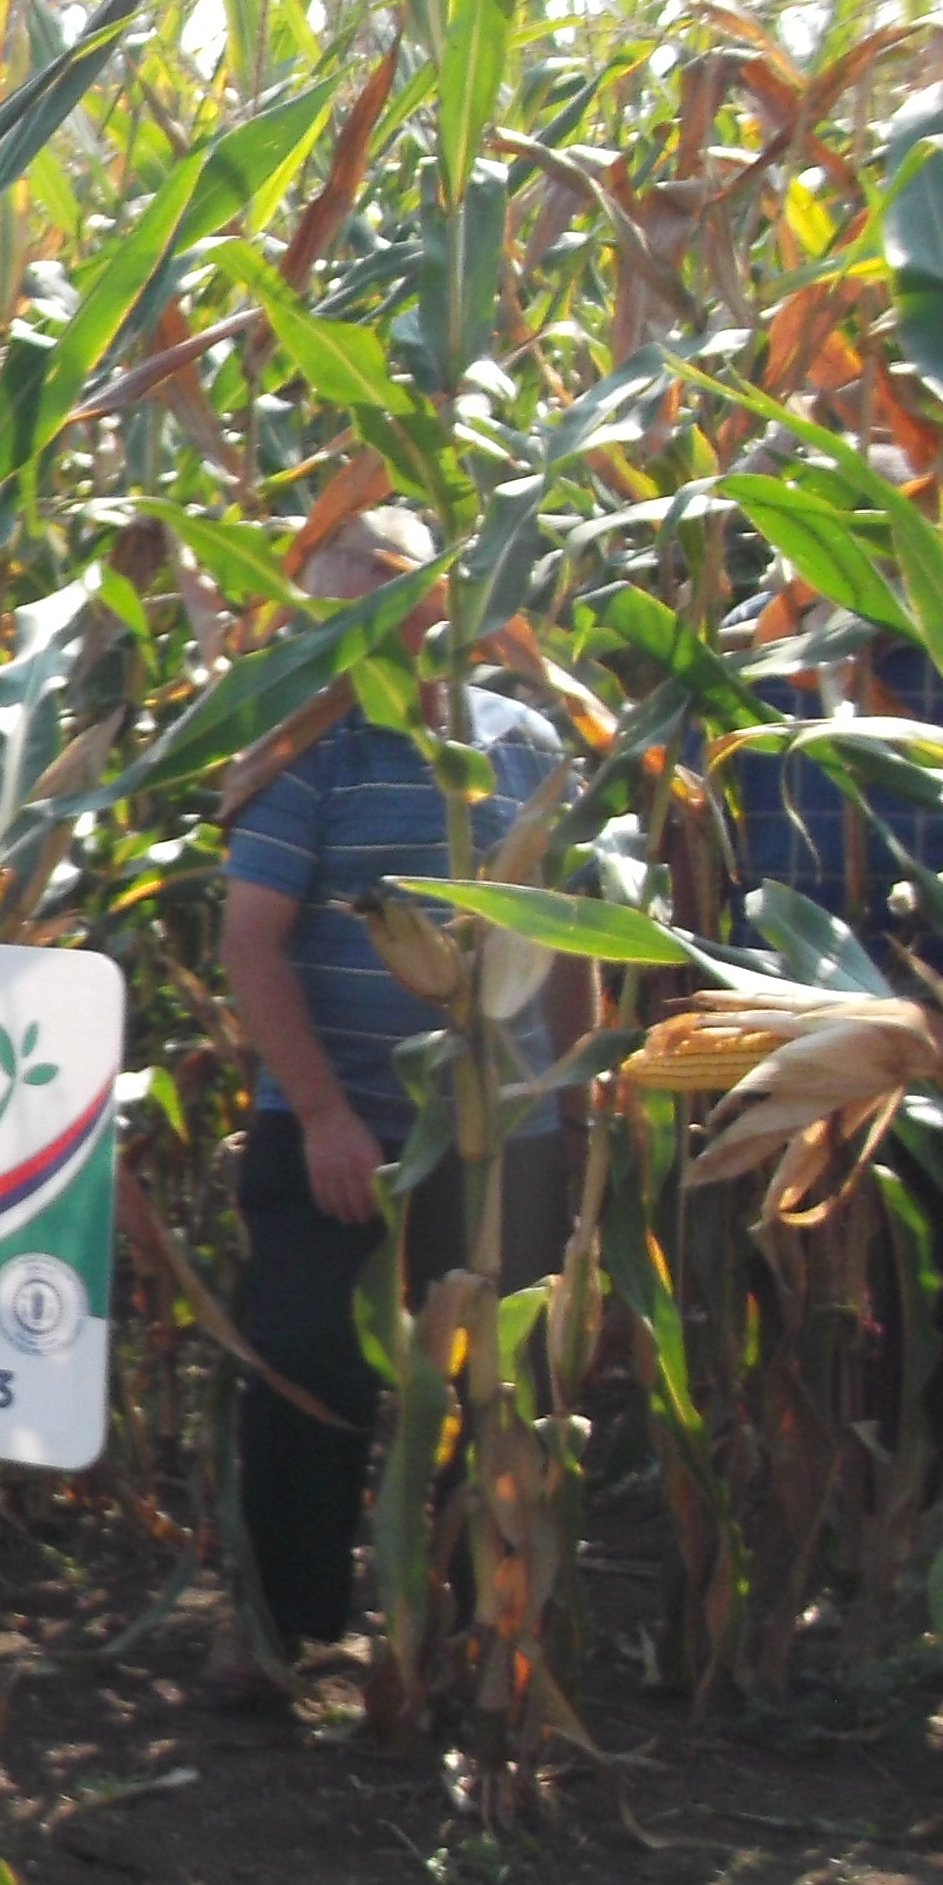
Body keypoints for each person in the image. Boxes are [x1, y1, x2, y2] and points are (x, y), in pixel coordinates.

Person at [215, 508, 582, 1704]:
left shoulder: (521, 743)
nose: (366, 641)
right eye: (340, 619)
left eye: (389, 610)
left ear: (444, 608)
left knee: (498, 1384)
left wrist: (573, 1094)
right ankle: (284, 1629)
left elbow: (564, 932)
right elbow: (253, 943)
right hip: (340, 1131)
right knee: (306, 1369)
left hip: (501, 1133)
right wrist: (324, 1116)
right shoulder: (305, 753)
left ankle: (480, 1625)